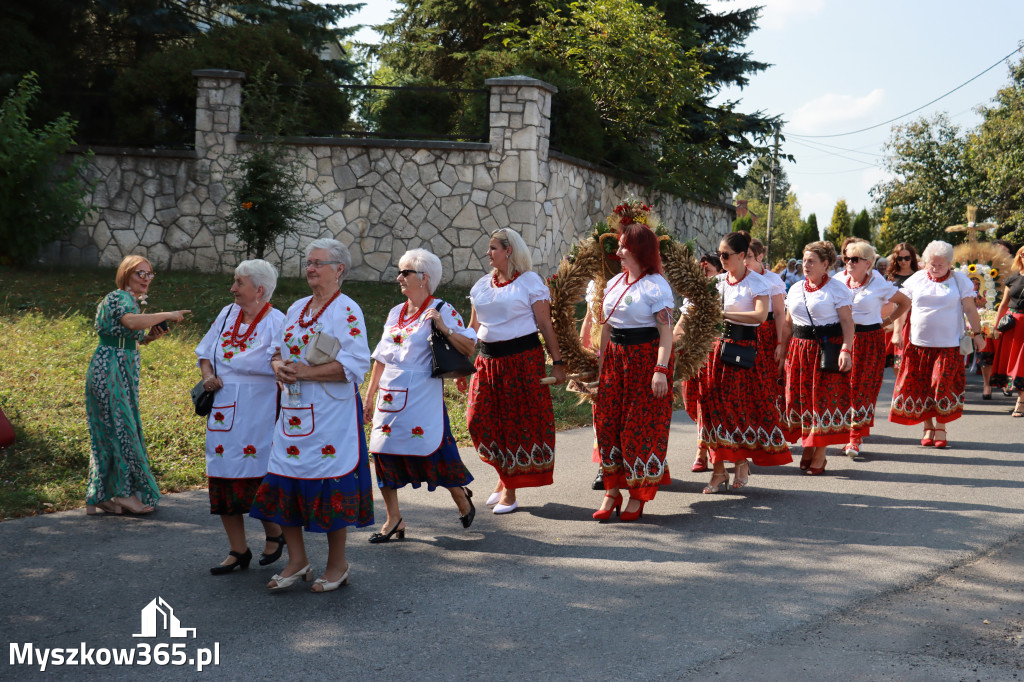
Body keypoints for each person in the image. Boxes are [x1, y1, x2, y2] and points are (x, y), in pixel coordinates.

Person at [250, 238, 373, 593]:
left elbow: (354, 364)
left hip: (330, 415)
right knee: (284, 479)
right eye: (308, 263)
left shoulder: (347, 310)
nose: (310, 269)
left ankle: (338, 564)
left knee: (329, 482)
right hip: (293, 413)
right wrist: (278, 366)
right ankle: (298, 560)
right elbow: (276, 350)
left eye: (318, 263)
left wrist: (302, 373)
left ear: (339, 270)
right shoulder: (297, 307)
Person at [363, 249, 478, 542]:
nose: (399, 277)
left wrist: (442, 327)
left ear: (424, 279)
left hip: (421, 393)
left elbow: (467, 348)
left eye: (406, 272)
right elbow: (381, 357)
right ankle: (394, 519)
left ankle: (460, 495)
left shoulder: (442, 308)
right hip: (389, 395)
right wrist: (369, 395)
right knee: (381, 451)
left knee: (434, 448)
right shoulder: (394, 312)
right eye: (400, 272)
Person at [195, 260, 286, 574]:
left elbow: (281, 361)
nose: (232, 288)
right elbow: (206, 353)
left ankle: (275, 533)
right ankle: (238, 549)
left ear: (258, 290)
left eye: (239, 283)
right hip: (223, 406)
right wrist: (208, 377)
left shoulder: (276, 320)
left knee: (258, 475)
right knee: (222, 473)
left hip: (259, 408)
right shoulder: (226, 314)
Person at [467, 228, 566, 515]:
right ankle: (503, 476)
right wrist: (463, 364)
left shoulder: (530, 283)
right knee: (478, 420)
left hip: (520, 361)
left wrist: (557, 363)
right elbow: (473, 328)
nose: (489, 253)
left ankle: (509, 489)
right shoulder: (482, 285)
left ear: (509, 251)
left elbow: (545, 325)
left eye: (494, 247)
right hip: (487, 362)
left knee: (514, 423)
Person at [85, 255, 189, 515]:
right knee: (120, 429)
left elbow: (132, 337)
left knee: (110, 429)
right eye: (139, 273)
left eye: (149, 274)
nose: (146, 279)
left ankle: (100, 495)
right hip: (109, 370)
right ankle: (123, 494)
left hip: (119, 369)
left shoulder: (130, 302)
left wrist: (151, 337)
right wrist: (167, 315)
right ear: (126, 275)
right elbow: (130, 322)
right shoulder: (119, 297)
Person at [693, 232, 791, 493]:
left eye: (726, 255)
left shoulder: (757, 283)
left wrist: (723, 313)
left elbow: (760, 316)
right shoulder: (717, 282)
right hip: (715, 350)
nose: (721, 259)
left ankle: (740, 461)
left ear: (741, 256)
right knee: (712, 408)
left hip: (743, 351)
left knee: (736, 408)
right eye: (720, 254)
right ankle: (717, 472)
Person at [592, 223, 674, 520]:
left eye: (623, 247)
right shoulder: (615, 283)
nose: (618, 253)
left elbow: (666, 334)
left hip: (645, 360)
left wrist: (660, 370)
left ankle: (638, 495)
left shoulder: (657, 287)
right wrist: (601, 364)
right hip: (615, 358)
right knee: (608, 422)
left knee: (637, 427)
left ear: (639, 249)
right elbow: (607, 326)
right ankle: (612, 490)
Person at [890, 241, 984, 447]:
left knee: (941, 385)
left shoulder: (960, 281)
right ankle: (928, 427)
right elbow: (903, 307)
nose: (935, 268)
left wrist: (977, 334)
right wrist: (897, 331)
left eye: (940, 265)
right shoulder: (917, 279)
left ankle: (941, 427)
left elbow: (969, 309)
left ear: (950, 263)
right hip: (918, 344)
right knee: (921, 386)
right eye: (931, 264)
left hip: (949, 344)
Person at [781, 241, 855, 475]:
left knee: (822, 401)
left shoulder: (837, 289)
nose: (806, 265)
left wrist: (846, 349)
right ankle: (808, 445)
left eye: (811, 261)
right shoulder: (794, 288)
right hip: (798, 351)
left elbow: (847, 323)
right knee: (801, 400)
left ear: (826, 264)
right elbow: (788, 323)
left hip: (826, 351)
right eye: (804, 260)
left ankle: (820, 454)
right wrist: (781, 349)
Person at [835, 240, 910, 458]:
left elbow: (905, 303)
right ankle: (842, 432)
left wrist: (886, 320)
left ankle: (854, 438)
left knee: (861, 388)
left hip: (868, 340)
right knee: (841, 388)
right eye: (846, 258)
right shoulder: (837, 280)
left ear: (867, 263)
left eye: (854, 259)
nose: (849, 262)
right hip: (841, 339)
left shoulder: (879, 283)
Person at [744, 236, 789, 427]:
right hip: (745, 331)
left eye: (749, 256)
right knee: (746, 381)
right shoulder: (739, 277)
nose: (745, 261)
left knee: (767, 380)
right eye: (742, 256)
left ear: (760, 256)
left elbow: (780, 313)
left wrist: (780, 343)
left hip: (767, 332)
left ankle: (769, 425)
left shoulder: (772, 279)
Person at [990, 246, 1024, 414]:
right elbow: (1003, 305)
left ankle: (1021, 401)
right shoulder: (1013, 279)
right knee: (1015, 363)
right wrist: (996, 327)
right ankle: (1021, 398)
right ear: (1019, 257)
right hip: (1013, 325)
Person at [884, 242, 920, 369]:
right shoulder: (890, 277)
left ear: (912, 258)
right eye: (900, 258)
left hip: (914, 320)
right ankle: (899, 388)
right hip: (894, 319)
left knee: (913, 361)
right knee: (897, 362)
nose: (903, 261)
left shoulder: (919, 275)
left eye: (907, 258)